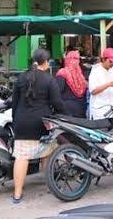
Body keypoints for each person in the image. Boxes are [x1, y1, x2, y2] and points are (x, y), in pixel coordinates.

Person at [11, 49, 67, 204]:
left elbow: (14, 103)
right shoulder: (49, 80)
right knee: (47, 153)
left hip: (22, 122)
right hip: (42, 123)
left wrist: (16, 121)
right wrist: (66, 115)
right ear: (46, 62)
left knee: (21, 157)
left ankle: (17, 194)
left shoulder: (21, 77)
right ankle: (51, 186)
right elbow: (57, 103)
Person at [88, 47, 113, 120]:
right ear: (104, 59)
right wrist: (109, 84)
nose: (112, 64)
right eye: (110, 61)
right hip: (100, 109)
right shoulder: (95, 71)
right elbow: (93, 91)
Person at [56, 50, 87, 118]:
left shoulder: (63, 73)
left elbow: (57, 92)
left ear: (67, 60)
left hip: (66, 110)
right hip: (81, 109)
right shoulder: (80, 75)